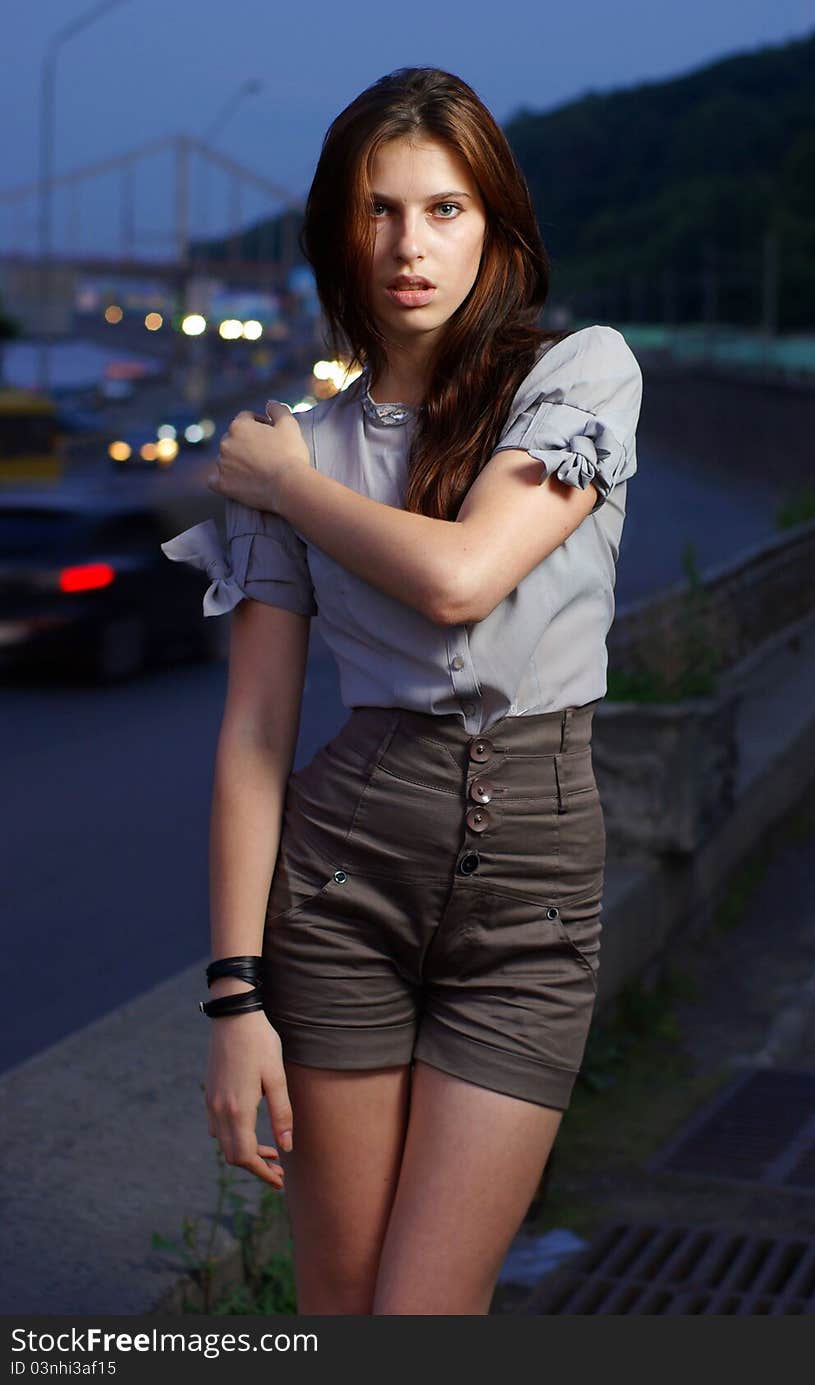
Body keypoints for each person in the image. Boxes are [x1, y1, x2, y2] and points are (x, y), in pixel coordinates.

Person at [160, 66, 643, 1316]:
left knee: (425, 1309)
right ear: (338, 228)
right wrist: (233, 995)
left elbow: (461, 578)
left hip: (529, 912)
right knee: (341, 1301)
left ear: (496, 227)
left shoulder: (578, 377)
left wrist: (290, 483)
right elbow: (255, 735)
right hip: (339, 896)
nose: (407, 245)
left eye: (443, 209)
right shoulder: (301, 447)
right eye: (377, 210)